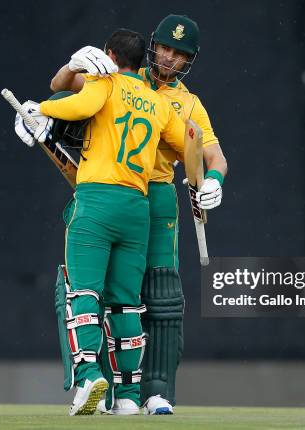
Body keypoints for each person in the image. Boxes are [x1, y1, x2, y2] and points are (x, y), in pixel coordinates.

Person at [50, 14, 228, 415]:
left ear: (188, 61)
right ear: (152, 47)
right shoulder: (120, 75)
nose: (168, 58)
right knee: (98, 291)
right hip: (118, 189)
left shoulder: (188, 102)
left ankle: (152, 391)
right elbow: (65, 86)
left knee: (157, 296)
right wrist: (71, 66)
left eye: (178, 54)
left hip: (154, 196)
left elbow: (213, 155)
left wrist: (213, 180)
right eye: (164, 48)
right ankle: (106, 389)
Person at [15, 28, 187, 416]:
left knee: (84, 294)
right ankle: (128, 397)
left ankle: (90, 375)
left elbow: (75, 107)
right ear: (141, 60)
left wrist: (39, 110)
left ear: (109, 54)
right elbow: (182, 144)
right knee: (127, 305)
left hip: (97, 202)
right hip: (137, 208)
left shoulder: (103, 84)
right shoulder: (157, 102)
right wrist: (199, 175)